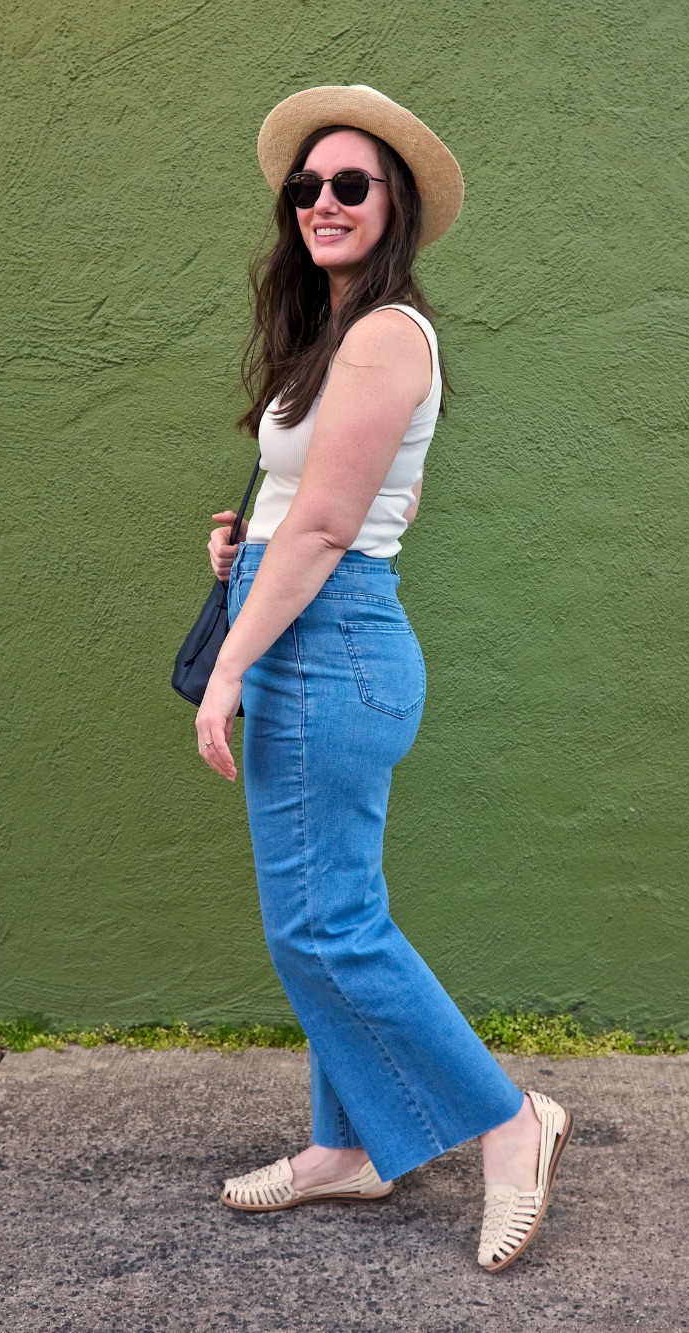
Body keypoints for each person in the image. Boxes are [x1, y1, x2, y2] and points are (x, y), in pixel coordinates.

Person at [194, 85, 570, 1272]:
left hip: (329, 643)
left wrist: (225, 669)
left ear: (392, 203)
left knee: (325, 922)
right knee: (318, 909)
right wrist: (238, 547)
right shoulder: (334, 332)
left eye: (346, 185)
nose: (319, 203)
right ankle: (344, 1147)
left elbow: (328, 530)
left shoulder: (387, 333)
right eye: (303, 187)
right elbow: (293, 513)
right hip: (310, 628)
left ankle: (508, 1118)